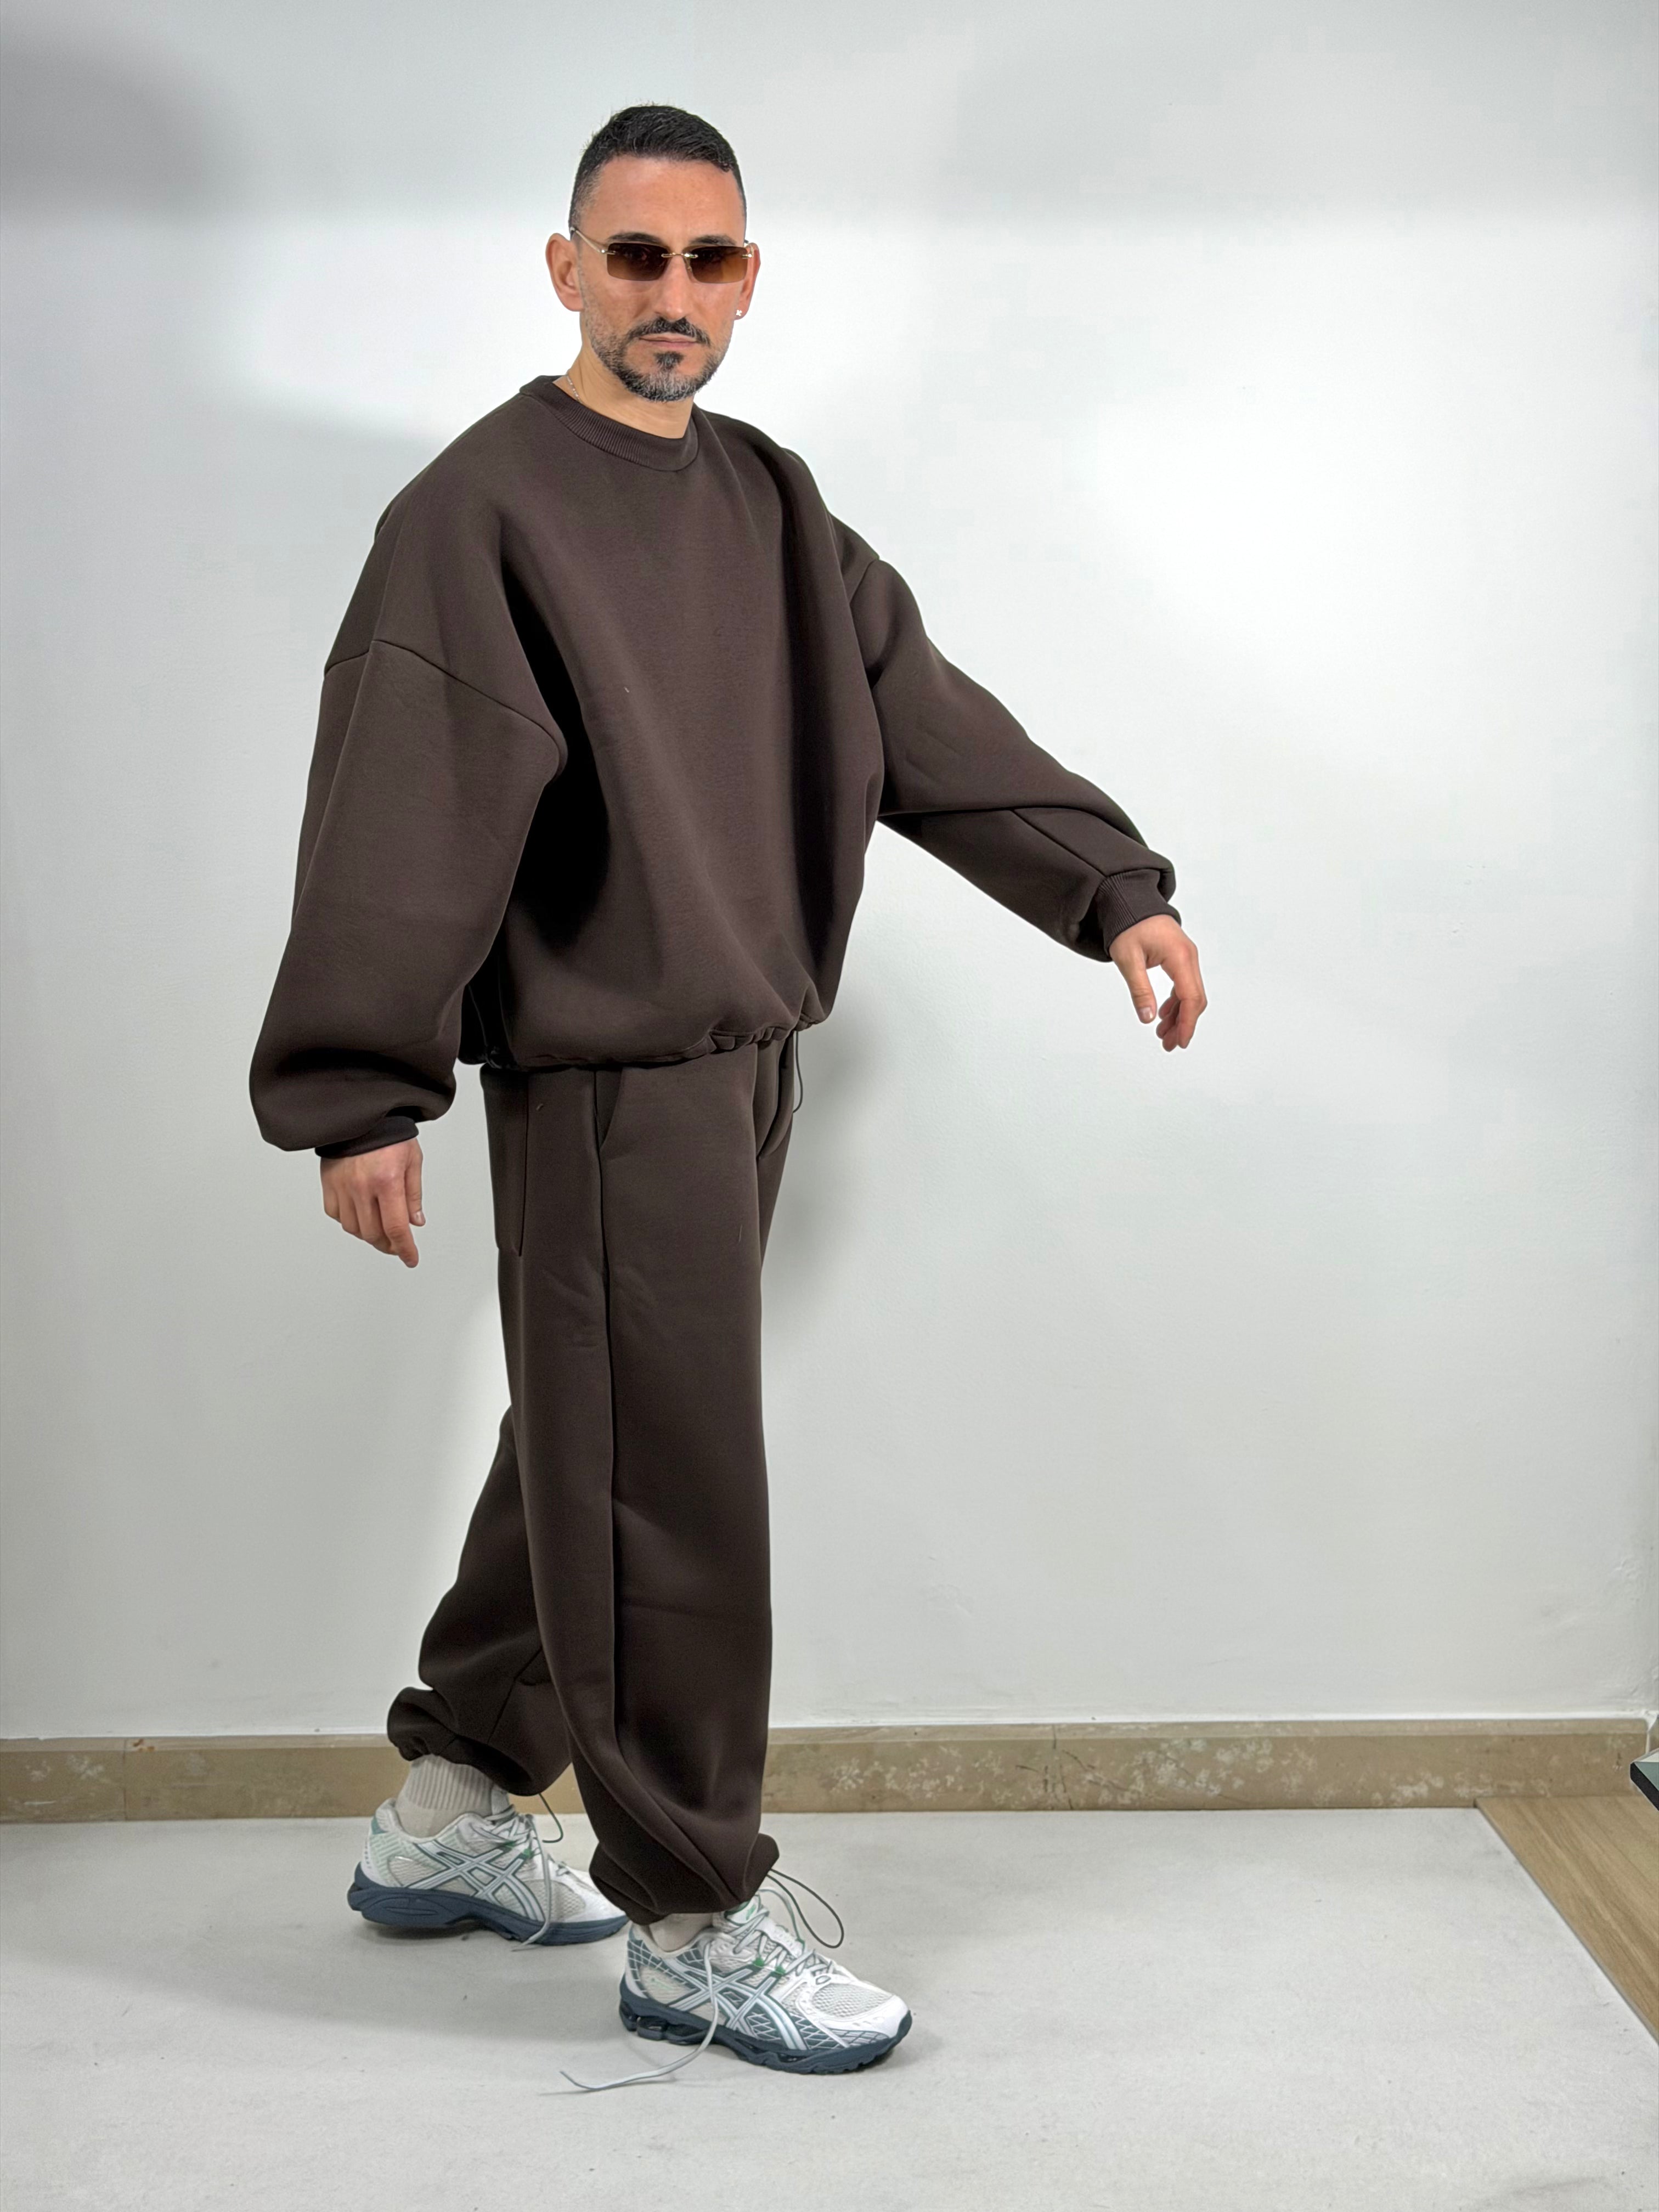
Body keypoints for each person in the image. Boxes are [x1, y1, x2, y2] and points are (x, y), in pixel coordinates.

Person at [249, 102, 1207, 2087]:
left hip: (746, 1063)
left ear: (750, 276)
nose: (670, 293)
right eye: (635, 257)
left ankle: (453, 1799)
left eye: (709, 259)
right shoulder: (479, 512)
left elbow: (923, 716)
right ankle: (692, 1913)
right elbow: (403, 801)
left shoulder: (769, 501)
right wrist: (359, 1090)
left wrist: (1112, 888)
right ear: (565, 269)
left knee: (597, 1438)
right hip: (606, 1080)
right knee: (663, 1486)